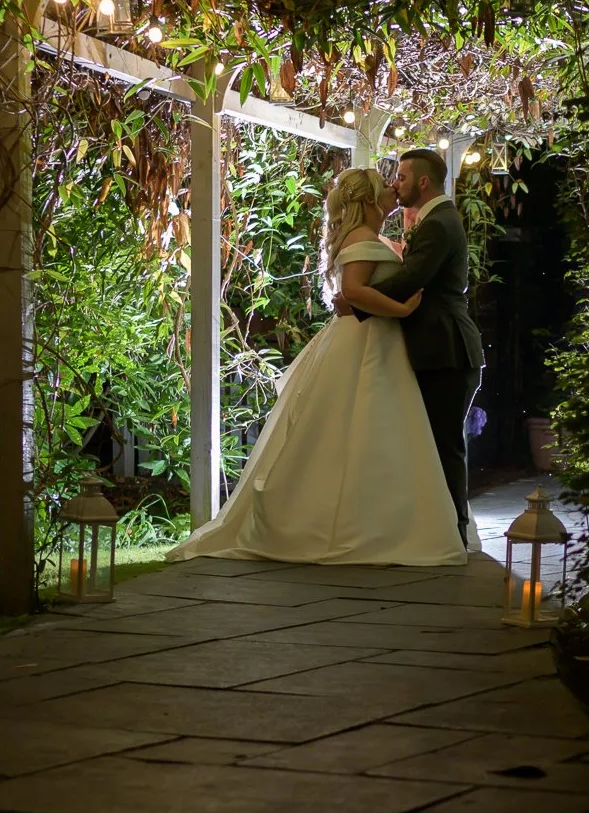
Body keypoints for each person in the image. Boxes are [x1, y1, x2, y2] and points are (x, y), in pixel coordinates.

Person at [165, 166, 466, 566]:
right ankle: (352, 525)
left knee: (375, 435)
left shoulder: (369, 237)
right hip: (367, 343)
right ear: (369, 201)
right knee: (355, 430)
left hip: (379, 343)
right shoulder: (360, 239)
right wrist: (403, 306)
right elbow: (355, 293)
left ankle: (378, 518)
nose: (394, 189)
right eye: (385, 187)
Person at [340, 148, 485, 549]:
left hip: (447, 349)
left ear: (422, 182)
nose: (394, 183)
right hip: (438, 349)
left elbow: (411, 279)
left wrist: (354, 300)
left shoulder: (438, 224)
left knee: (444, 445)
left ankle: (452, 534)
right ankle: (438, 529)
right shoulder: (435, 220)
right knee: (436, 443)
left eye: (401, 177)